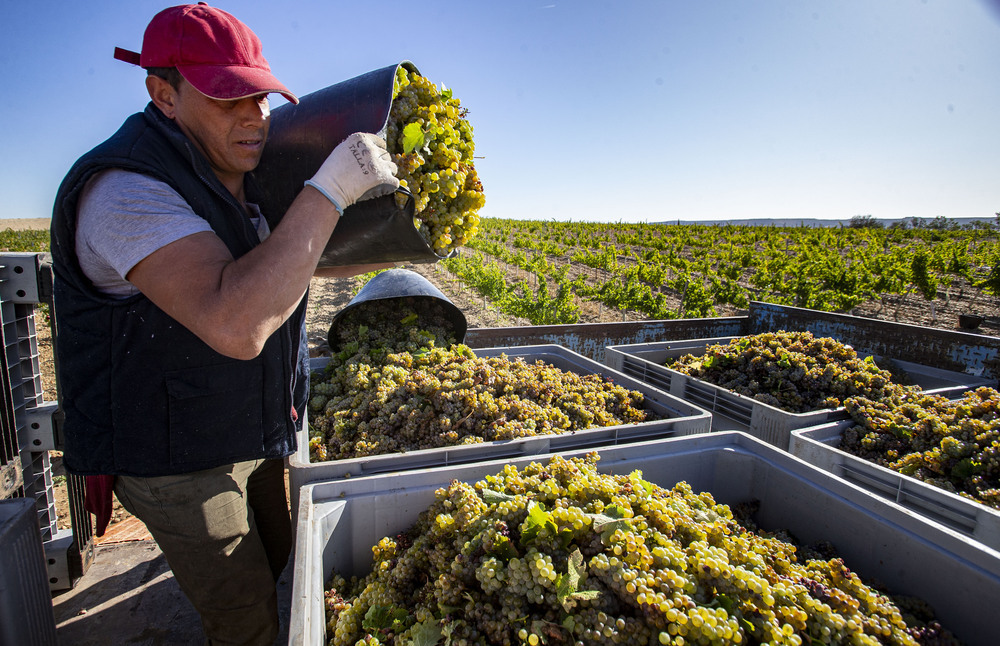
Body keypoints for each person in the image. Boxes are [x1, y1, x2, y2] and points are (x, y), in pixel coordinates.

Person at [49, 3, 399, 644]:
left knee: (279, 565)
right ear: (165, 95)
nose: (255, 118)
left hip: (254, 426)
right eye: (227, 98)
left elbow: (287, 270)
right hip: (175, 456)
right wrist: (328, 192)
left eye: (260, 97)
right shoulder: (127, 189)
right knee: (245, 619)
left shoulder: (236, 168)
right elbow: (236, 321)